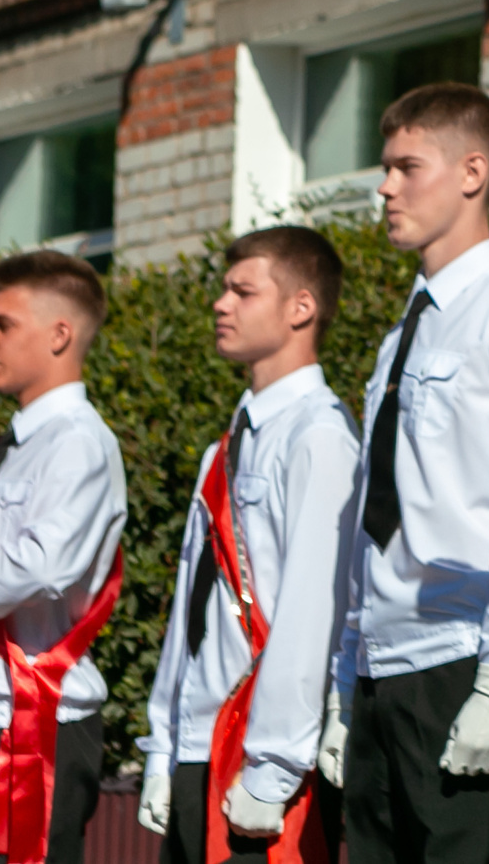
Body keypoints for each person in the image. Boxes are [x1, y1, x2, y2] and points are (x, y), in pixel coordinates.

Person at [322, 83, 489, 864]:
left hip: (466, 657)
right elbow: (378, 506)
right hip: (386, 666)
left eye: (404, 166)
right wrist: (346, 672)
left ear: (472, 171)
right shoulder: (404, 332)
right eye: (384, 169)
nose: (385, 187)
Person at [140, 227, 358, 863]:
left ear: (300, 307)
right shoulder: (228, 446)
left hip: (257, 757)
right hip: (198, 745)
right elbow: (191, 613)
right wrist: (162, 744)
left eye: (243, 290)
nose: (221, 303)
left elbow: (312, 612)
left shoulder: (319, 436)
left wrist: (275, 767)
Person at [0, 251, 128, 864]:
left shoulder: (78, 441)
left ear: (60, 334)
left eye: (3, 325)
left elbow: (41, 566)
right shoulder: (8, 444)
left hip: (30, 721)